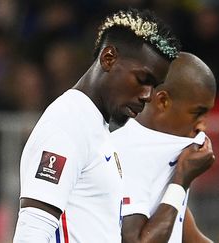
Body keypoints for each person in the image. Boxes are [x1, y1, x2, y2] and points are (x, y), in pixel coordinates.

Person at [12, 8, 188, 242]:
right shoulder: (68, 122)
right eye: (143, 80)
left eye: (154, 85)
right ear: (108, 58)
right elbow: (32, 232)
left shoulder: (97, 127)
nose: (148, 95)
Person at [111, 52, 216, 242]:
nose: (203, 126)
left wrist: (179, 186)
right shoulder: (127, 152)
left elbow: (181, 227)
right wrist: (181, 181)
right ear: (162, 101)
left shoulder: (165, 149)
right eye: (197, 112)